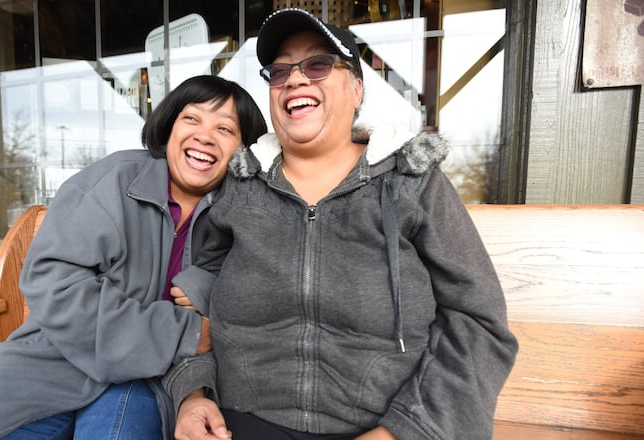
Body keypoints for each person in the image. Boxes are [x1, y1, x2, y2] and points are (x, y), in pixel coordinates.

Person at [164, 8, 519, 440]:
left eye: (317, 64)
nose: (295, 79)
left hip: (384, 426)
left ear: (356, 88)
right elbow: (196, 304)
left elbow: (477, 322)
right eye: (279, 72)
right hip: (242, 423)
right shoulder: (242, 188)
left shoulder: (411, 184)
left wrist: (407, 430)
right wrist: (193, 394)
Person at [0, 75, 267, 440]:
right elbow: (54, 287)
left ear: (242, 151)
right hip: (56, 367)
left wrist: (208, 288)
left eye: (225, 128)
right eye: (192, 118)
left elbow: (249, 307)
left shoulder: (236, 216)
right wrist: (180, 331)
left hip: (146, 382)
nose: (205, 135)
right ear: (168, 127)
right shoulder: (114, 182)